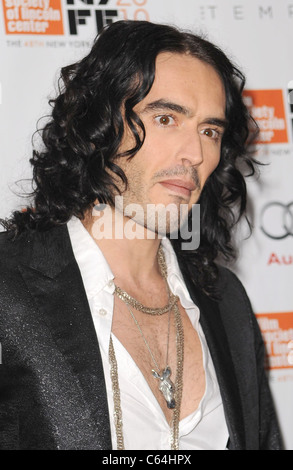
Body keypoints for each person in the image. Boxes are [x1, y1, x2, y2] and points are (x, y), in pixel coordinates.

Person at [0, 20, 282, 450]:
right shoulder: (8, 286)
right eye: (166, 118)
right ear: (101, 125)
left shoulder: (225, 301)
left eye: (210, 131)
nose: (195, 153)